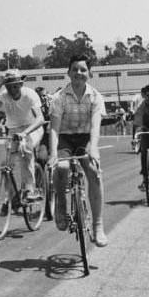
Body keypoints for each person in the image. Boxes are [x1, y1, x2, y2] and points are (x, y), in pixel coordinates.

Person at [48, 55, 108, 247]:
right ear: (68, 73)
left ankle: (98, 226)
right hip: (65, 138)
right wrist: (53, 154)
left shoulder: (96, 97)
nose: (79, 73)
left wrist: (94, 148)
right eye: (75, 69)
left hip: (85, 137)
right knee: (63, 168)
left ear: (89, 73)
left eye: (83, 70)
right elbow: (55, 128)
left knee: (94, 173)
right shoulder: (59, 97)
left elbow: (96, 127)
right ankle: (61, 206)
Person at [0, 69, 46, 203]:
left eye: (15, 85)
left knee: (25, 147)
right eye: (8, 86)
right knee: (6, 165)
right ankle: (11, 196)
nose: (12, 89)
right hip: (13, 130)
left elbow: (40, 119)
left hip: (32, 128)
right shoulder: (4, 95)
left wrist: (25, 133)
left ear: (21, 85)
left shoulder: (30, 95)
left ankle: (30, 189)